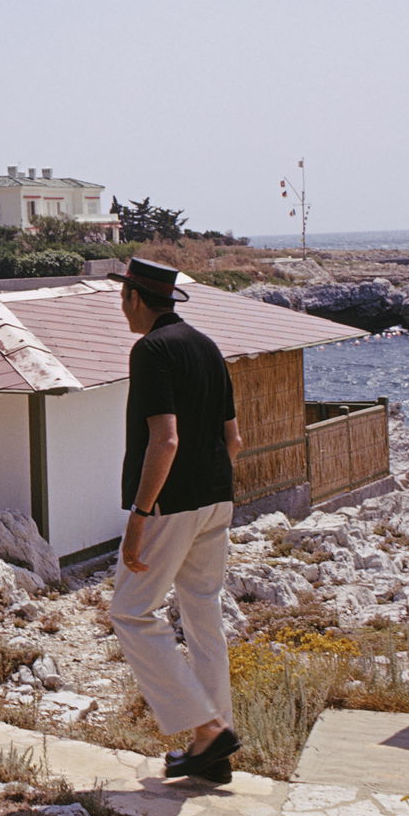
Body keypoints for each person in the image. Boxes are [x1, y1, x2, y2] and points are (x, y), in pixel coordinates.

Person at [105, 258, 245, 784]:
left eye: (123, 300)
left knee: (131, 612)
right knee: (203, 616)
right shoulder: (208, 347)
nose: (122, 310)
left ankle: (208, 728)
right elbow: (233, 441)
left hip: (172, 505)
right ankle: (214, 754)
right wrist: (208, 490)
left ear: (135, 299)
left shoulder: (150, 351)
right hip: (217, 499)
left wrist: (142, 515)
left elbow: (165, 440)